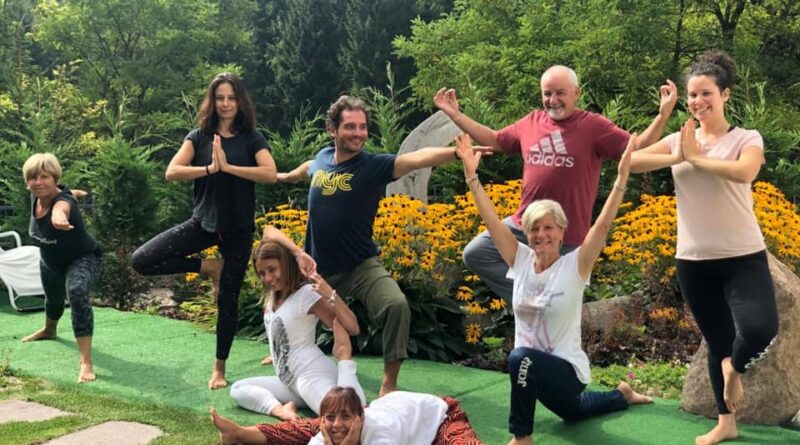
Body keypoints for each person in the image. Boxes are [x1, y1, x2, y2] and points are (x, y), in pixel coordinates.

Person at [278, 95, 491, 396]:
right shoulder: (323, 158)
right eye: (350, 126)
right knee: (284, 302)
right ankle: (281, 354)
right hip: (318, 268)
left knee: (396, 305)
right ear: (333, 130)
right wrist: (284, 176)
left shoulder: (373, 166)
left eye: (363, 127)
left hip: (360, 265)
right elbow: (307, 168)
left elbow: (417, 158)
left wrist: (457, 154)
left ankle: (388, 382)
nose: (358, 133)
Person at [455, 133, 652, 445]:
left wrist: (622, 178)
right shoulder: (519, 259)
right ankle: (621, 395)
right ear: (526, 234)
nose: (540, 234)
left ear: (562, 232)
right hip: (536, 376)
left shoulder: (575, 265)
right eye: (534, 228)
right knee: (574, 412)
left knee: (520, 357)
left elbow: (601, 227)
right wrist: (471, 175)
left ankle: (522, 438)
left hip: (566, 372)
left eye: (548, 227)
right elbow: (492, 221)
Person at [630, 51, 779, 445]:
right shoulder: (680, 140)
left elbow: (745, 171)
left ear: (725, 94)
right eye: (692, 95)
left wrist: (695, 158)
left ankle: (734, 369)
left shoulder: (745, 138)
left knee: (761, 328)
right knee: (718, 341)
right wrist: (677, 146)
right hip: (694, 261)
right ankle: (726, 422)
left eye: (706, 93)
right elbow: (629, 161)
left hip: (743, 257)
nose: (698, 102)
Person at [434, 65, 678, 303]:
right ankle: (532, 299)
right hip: (524, 226)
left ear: (576, 93)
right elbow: (496, 140)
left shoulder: (593, 127)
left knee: (564, 302)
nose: (553, 100)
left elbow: (637, 146)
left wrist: (663, 115)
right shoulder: (531, 122)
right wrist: (455, 114)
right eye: (547, 94)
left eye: (560, 93)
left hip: (566, 234)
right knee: (476, 254)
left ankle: (550, 305)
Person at [131, 72, 277, 389]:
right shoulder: (198, 136)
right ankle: (208, 266)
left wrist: (229, 167)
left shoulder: (252, 137)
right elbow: (172, 172)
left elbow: (270, 173)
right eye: (220, 98)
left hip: (237, 231)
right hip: (203, 224)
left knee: (228, 300)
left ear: (240, 101)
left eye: (231, 98)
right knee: (142, 260)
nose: (225, 104)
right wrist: (210, 167)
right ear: (212, 102)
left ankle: (219, 369)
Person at [210, 312, 483, 445]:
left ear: (360, 418)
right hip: (388, 407)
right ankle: (239, 433)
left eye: (345, 418)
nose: (337, 425)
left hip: (440, 418)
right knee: (301, 430)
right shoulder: (331, 428)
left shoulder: (380, 435)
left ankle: (345, 356)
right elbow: (308, 432)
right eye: (329, 418)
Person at [230, 227, 364, 420]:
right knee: (238, 389)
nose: (267, 278)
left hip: (310, 374)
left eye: (272, 270)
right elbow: (268, 231)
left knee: (343, 416)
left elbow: (353, 327)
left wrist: (330, 293)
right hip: (288, 382)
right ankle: (282, 411)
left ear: (285, 264)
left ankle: (347, 376)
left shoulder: (306, 294)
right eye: (262, 273)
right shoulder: (272, 296)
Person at [20, 153, 102, 383]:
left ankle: (86, 361)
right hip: (50, 261)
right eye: (33, 178)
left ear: (55, 178)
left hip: (83, 257)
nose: (38, 182)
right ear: (27, 182)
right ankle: (49, 330)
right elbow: (69, 194)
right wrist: (76, 192)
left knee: (76, 291)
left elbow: (63, 204)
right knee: (53, 298)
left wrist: (59, 216)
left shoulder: (61, 203)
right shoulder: (36, 197)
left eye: (44, 177)